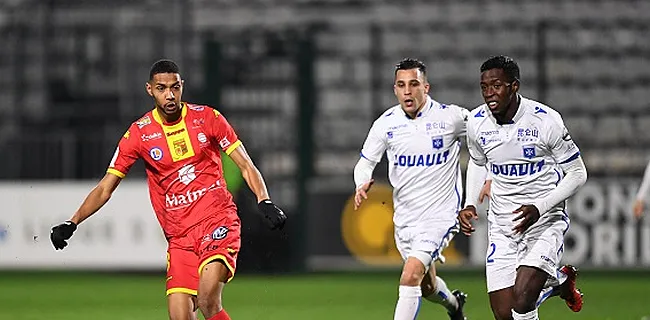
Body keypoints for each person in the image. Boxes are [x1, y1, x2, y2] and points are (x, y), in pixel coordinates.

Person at [49, 59, 287, 320]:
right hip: (180, 238)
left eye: (175, 87)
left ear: (182, 86)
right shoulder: (139, 134)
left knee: (208, 298)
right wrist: (72, 222)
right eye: (162, 88)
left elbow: (245, 163)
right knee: (179, 316)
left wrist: (264, 200)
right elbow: (106, 187)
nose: (170, 95)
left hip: (216, 222)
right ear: (150, 90)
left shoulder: (208, 118)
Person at [459, 55, 587, 320]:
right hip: (503, 226)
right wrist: (470, 202)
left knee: (523, 299)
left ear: (514, 86)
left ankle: (548, 283)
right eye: (484, 87)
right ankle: (559, 283)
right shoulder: (476, 122)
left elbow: (577, 173)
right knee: (505, 315)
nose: (489, 94)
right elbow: (477, 161)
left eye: (496, 86)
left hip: (543, 221)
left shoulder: (545, 121)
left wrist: (539, 208)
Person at [354, 58, 469, 320]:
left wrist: (486, 176)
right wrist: (361, 182)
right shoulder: (386, 124)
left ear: (426, 87)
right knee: (426, 286)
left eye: (414, 84)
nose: (407, 91)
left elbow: (484, 137)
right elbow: (365, 162)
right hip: (405, 219)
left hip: (439, 216)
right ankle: (455, 306)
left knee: (409, 276)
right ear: (394, 89)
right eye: (401, 85)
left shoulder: (451, 117)